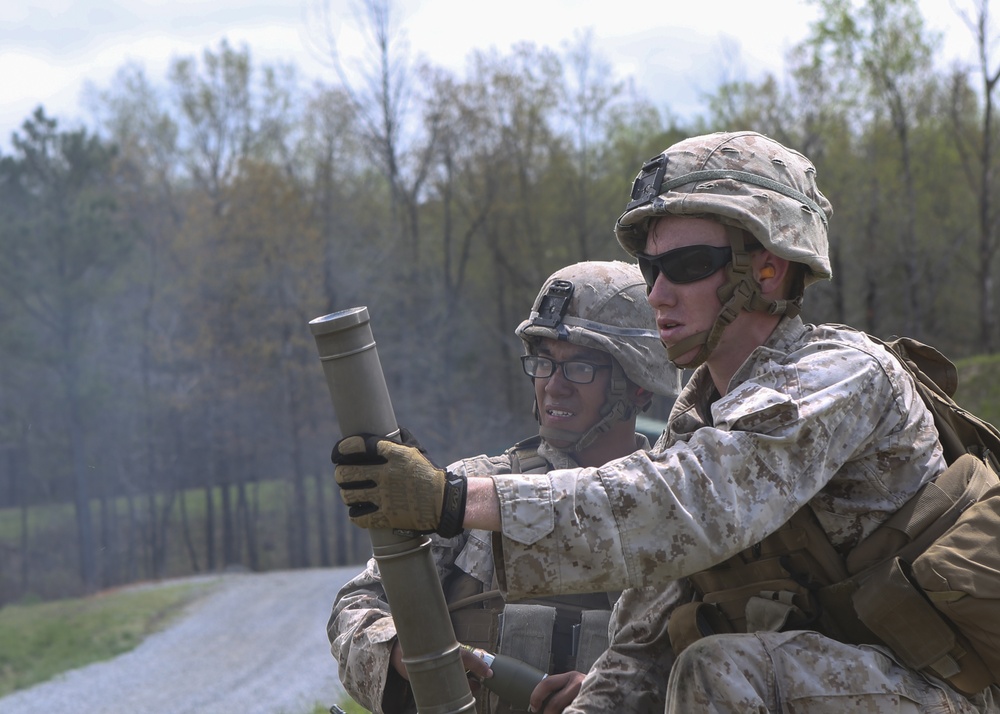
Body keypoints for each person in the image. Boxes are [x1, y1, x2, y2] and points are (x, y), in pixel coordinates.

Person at [334, 130, 1000, 712]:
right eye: (651, 268)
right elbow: (641, 648)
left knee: (719, 671)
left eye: (687, 266)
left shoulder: (840, 376)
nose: (657, 292)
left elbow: (689, 501)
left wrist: (454, 501)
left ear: (767, 270)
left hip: (935, 695)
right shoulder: (699, 422)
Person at [328, 260, 682, 714]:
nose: (553, 386)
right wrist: (402, 653)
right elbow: (355, 607)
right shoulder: (464, 491)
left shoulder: (675, 506)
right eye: (544, 364)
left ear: (638, 387)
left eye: (580, 369)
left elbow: (713, 659)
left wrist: (623, 690)